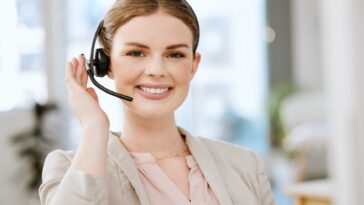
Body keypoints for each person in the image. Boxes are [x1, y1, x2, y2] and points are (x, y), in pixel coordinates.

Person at [38, 0, 275, 204]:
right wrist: (94, 127)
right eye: (136, 53)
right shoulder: (70, 168)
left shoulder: (245, 165)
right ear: (105, 64)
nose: (157, 70)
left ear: (193, 66)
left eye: (175, 55)